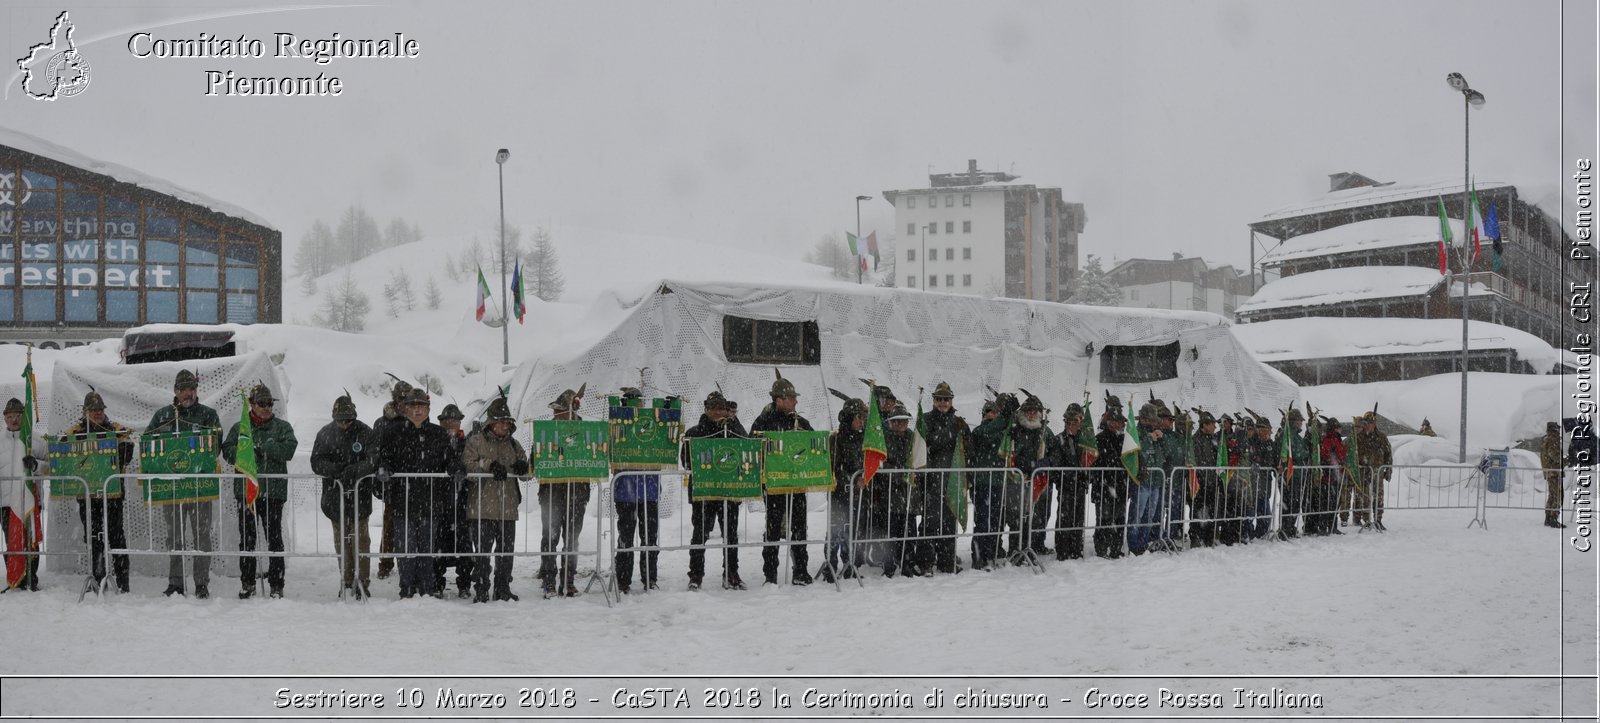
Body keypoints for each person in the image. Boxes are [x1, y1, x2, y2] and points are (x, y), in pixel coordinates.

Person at [146, 369, 223, 599]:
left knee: (201, 536)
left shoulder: (208, 415)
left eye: (190, 388)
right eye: (182, 390)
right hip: (172, 489)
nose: (186, 393)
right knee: (175, 537)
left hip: (200, 487)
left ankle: (201, 583)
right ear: (175, 391)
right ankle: (176, 583)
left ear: (196, 389)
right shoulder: (163, 416)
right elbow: (148, 444)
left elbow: (216, 446)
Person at [377, 388, 459, 598]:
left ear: (428, 409)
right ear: (406, 408)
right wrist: (384, 468)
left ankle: (427, 587)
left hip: (430, 501)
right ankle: (407, 587)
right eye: (412, 406)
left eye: (420, 406)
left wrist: (456, 468)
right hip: (402, 501)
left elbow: (450, 460)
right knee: (405, 549)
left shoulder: (438, 434)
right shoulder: (393, 433)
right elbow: (384, 458)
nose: (416, 411)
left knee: (427, 548)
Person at [221, 384, 299, 599]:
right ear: (252, 405)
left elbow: (289, 450)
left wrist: (262, 446)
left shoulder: (282, 427)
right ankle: (247, 582)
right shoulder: (239, 428)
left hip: (273, 492)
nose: (266, 408)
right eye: (262, 404)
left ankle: (277, 583)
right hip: (246, 491)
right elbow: (227, 451)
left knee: (274, 539)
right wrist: (244, 452)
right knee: (247, 539)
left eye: (269, 404)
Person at [62, 392, 135, 593]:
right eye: (93, 410)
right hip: (87, 496)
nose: (97, 413)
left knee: (116, 537)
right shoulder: (75, 432)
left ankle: (122, 582)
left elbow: (129, 446)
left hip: (112, 495)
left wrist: (118, 452)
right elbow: (62, 448)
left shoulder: (116, 429)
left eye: (100, 410)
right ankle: (97, 578)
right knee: (93, 538)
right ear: (85, 412)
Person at [462, 396, 529, 602]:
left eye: (506, 422)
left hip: (507, 507)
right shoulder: (475, 441)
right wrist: (489, 465)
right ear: (491, 422)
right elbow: (468, 466)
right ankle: (481, 588)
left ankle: (503, 588)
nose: (503, 425)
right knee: (482, 553)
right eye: (499, 421)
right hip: (482, 508)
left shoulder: (514, 444)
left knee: (506, 553)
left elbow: (526, 469)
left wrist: (523, 467)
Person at [310, 394, 376, 599]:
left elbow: (373, 458)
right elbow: (316, 461)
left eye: (348, 420)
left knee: (361, 541)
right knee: (341, 541)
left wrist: (355, 471)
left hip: (360, 496)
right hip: (334, 497)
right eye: (340, 420)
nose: (345, 424)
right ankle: (346, 580)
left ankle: (362, 583)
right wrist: (336, 470)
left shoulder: (365, 432)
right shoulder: (325, 434)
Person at [752, 374, 815, 586]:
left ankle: (800, 571)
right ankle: (770, 575)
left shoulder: (801, 423)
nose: (796, 401)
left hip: (796, 484)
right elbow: (753, 449)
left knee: (799, 528)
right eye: (791, 398)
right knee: (773, 530)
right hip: (774, 485)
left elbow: (814, 447)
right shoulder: (763, 422)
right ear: (779, 399)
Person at [681, 391, 748, 590]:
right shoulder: (694, 432)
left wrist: (733, 424)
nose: (718, 412)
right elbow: (685, 461)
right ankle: (696, 574)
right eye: (714, 408)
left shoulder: (733, 429)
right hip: (704, 492)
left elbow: (746, 445)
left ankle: (731, 572)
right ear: (707, 409)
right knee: (700, 534)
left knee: (731, 534)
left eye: (721, 408)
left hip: (729, 490)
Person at [539, 387, 592, 598]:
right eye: (556, 411)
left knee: (572, 539)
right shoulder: (545, 432)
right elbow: (537, 461)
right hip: (551, 493)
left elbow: (593, 460)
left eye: (560, 410)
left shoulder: (587, 432)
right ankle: (549, 581)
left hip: (577, 493)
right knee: (550, 538)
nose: (556, 415)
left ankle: (568, 580)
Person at [612, 388, 662, 594]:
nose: (639, 407)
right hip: (626, 492)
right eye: (636, 403)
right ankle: (623, 579)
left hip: (648, 490)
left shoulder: (654, 426)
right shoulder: (618, 426)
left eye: (640, 403)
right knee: (626, 537)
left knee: (649, 537)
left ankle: (649, 578)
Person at [914, 382, 967, 574]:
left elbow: (966, 447)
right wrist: (951, 431)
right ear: (934, 401)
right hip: (932, 481)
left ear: (951, 401)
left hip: (952, 481)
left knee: (948, 524)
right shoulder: (926, 420)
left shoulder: (958, 421)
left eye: (946, 399)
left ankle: (947, 561)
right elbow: (929, 444)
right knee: (930, 524)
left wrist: (964, 432)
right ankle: (926, 562)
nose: (943, 403)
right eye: (939, 399)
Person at [371, 380, 413, 580]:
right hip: (392, 482)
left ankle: (411, 560)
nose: (405, 403)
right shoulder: (383, 423)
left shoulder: (416, 419)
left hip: (414, 481)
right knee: (390, 524)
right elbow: (376, 451)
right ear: (396, 400)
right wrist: (382, 471)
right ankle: (386, 562)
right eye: (402, 399)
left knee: (414, 524)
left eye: (408, 399)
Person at [821, 397, 865, 583]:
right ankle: (830, 566)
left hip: (857, 494)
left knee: (852, 530)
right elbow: (832, 467)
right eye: (859, 417)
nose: (862, 421)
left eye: (863, 417)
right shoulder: (835, 439)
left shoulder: (864, 439)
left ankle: (849, 564)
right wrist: (849, 479)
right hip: (839, 493)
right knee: (835, 530)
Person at [2, 397, 44, 591]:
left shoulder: (34, 439)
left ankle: (31, 579)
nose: (14, 420)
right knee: (11, 541)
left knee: (30, 540)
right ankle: (15, 578)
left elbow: (53, 464)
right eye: (10, 416)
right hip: (5, 502)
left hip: (30, 499)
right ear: (4, 419)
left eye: (18, 416)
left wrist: (36, 465)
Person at [967, 396, 1013, 570]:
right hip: (982, 483)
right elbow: (989, 432)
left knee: (995, 521)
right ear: (983, 415)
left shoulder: (1001, 432)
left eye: (995, 412)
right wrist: (1005, 416)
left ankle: (991, 554)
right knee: (982, 521)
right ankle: (978, 557)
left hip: (998, 482)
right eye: (989, 412)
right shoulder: (979, 431)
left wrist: (1008, 419)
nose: (992, 415)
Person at [1011, 394, 1057, 560]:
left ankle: (1037, 545)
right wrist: (1026, 465)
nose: (1031, 414)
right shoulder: (1015, 430)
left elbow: (1056, 454)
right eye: (1028, 411)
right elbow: (1012, 453)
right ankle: (1018, 548)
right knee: (1019, 516)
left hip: (1042, 481)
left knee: (1042, 515)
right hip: (1020, 481)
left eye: (1035, 411)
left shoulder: (1046, 432)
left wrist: (1046, 461)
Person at [434, 403, 472, 598]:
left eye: (454, 421)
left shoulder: (468, 442)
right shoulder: (434, 441)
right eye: (446, 421)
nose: (450, 424)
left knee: (465, 544)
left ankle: (464, 584)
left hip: (463, 501)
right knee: (438, 544)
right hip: (439, 501)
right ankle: (437, 583)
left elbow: (471, 463)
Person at [876, 403, 916, 577]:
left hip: (909, 494)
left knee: (909, 531)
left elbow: (919, 460)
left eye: (904, 421)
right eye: (897, 421)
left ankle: (907, 562)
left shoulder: (914, 438)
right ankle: (889, 565)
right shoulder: (882, 439)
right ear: (890, 422)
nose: (900, 424)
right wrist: (900, 474)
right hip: (889, 493)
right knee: (890, 532)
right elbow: (881, 464)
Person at [1049, 404, 1091, 560]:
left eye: (1075, 423)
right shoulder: (1059, 440)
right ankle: (1063, 549)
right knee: (1065, 518)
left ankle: (1076, 548)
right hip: (1066, 486)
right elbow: (1056, 463)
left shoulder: (1084, 441)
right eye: (1069, 422)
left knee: (1078, 518)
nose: (1072, 426)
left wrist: (1084, 476)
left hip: (1080, 486)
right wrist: (1069, 475)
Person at [1092, 405, 1129, 559]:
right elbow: (1094, 462)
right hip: (1104, 486)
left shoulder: (1126, 441)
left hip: (1120, 486)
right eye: (1113, 421)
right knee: (1104, 519)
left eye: (1119, 422)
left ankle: (1115, 548)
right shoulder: (1099, 439)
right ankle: (1101, 549)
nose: (1116, 424)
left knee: (1119, 519)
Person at [1353, 412, 1393, 531]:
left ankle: (1378, 519)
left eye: (1370, 423)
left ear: (1374, 424)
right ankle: (1363, 519)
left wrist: (1389, 469)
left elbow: (1388, 454)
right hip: (1363, 472)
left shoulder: (1381, 437)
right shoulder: (1359, 437)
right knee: (1362, 497)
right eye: (1365, 423)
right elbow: (1354, 453)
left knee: (1378, 496)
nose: (1367, 425)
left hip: (1377, 472)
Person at [1277, 408, 1312, 540]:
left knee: (1294, 504)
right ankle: (1286, 529)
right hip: (1291, 476)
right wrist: (1306, 452)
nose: (1301, 423)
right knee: (1290, 504)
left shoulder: (1295, 435)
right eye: (1299, 421)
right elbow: (1297, 453)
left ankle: (1290, 528)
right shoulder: (1289, 435)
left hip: (1297, 475)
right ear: (1294, 422)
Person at [1187, 411, 1220, 548]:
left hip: (1212, 481)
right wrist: (1203, 477)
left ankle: (1208, 536)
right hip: (1200, 482)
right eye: (1212, 424)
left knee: (1211, 510)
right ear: (1205, 425)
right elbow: (1198, 461)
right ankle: (1195, 536)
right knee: (1198, 510)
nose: (1215, 427)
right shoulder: (1196, 440)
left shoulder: (1213, 439)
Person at [1312, 417, 1347, 536]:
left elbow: (1340, 454)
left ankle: (1332, 526)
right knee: (1326, 503)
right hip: (1328, 477)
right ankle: (1323, 527)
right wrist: (1335, 463)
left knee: (1334, 503)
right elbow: (1327, 456)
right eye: (1338, 427)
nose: (1340, 429)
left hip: (1336, 476)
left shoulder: (1336, 439)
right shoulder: (1328, 440)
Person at [1246, 417, 1277, 540]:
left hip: (1265, 482)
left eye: (1269, 430)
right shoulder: (1251, 442)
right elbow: (1249, 459)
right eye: (1266, 429)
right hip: (1252, 483)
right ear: (1259, 430)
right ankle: (1248, 532)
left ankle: (1262, 532)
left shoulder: (1270, 444)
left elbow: (1273, 461)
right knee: (1250, 509)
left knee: (1264, 510)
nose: (1268, 432)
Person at [1541, 421, 1567, 529]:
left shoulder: (1546, 439)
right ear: (1554, 429)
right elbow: (1554, 456)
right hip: (1554, 471)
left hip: (1550, 471)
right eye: (1558, 429)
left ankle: (1548, 518)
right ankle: (1553, 518)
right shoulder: (1553, 439)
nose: (1559, 431)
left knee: (1552, 495)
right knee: (1558, 496)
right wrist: (1566, 461)